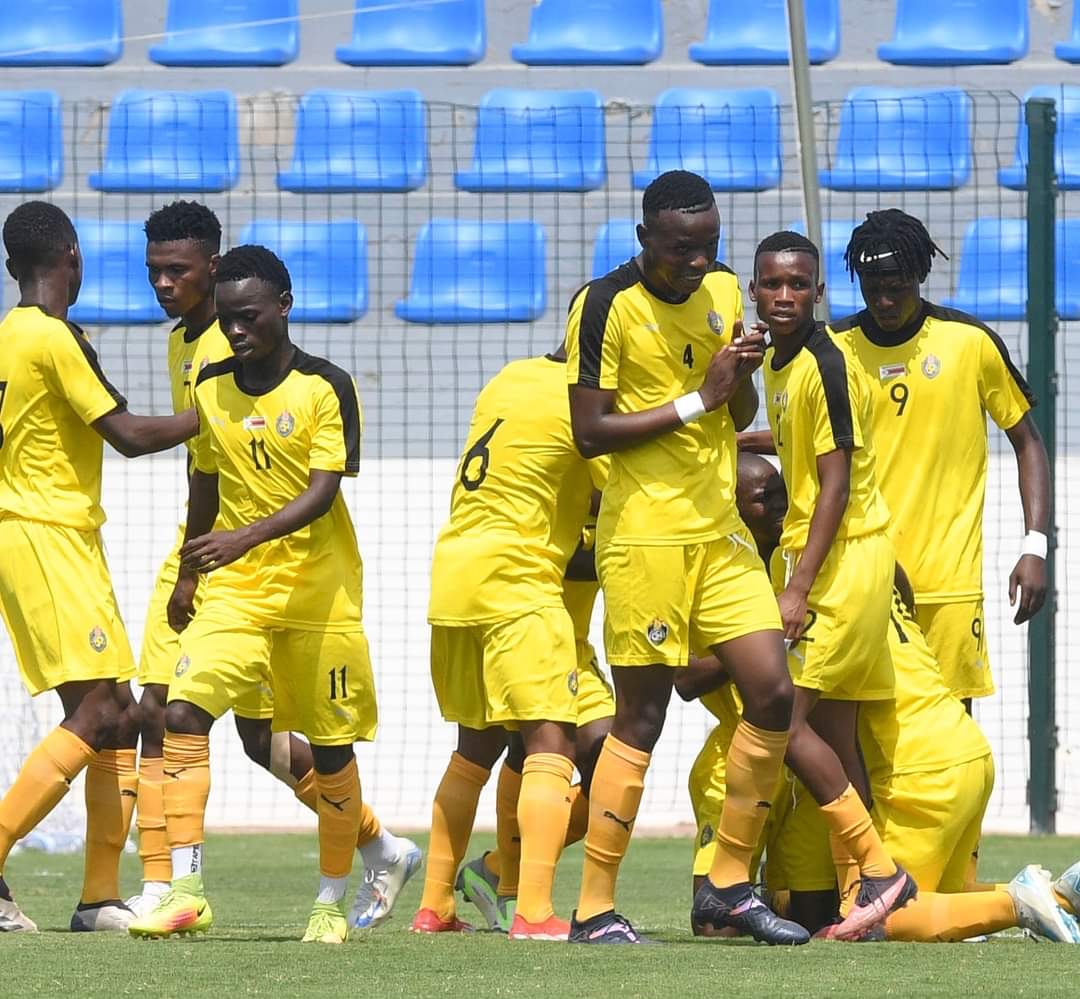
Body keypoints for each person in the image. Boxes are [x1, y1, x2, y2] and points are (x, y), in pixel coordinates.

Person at [130, 202, 418, 929]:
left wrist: (243, 537)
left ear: (284, 307)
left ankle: (330, 900)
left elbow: (322, 494)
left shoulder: (326, 385)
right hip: (236, 588)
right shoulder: (211, 387)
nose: (235, 330)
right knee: (181, 711)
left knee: (328, 743)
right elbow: (204, 482)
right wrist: (191, 573)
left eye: (249, 316)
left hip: (317, 591)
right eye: (227, 319)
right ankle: (185, 891)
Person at [564, 170, 809, 945]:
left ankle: (728, 886)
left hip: (720, 531)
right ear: (644, 240)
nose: (698, 263)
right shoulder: (604, 304)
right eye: (680, 250)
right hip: (644, 537)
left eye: (708, 247)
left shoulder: (726, 290)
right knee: (642, 714)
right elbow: (590, 431)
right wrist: (701, 397)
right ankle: (593, 906)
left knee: (772, 694)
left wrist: (740, 374)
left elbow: (740, 409)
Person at [697, 454, 1080, 945]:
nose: (780, 505)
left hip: (918, 773)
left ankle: (1018, 900)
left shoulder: (800, 585)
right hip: (964, 749)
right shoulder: (874, 561)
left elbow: (799, 718)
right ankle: (1061, 894)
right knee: (947, 895)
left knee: (883, 920)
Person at [0, 202, 197, 932]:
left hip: (55, 535)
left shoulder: (11, 334)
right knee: (97, 712)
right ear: (72, 257)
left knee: (112, 713)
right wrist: (216, 407)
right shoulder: (48, 337)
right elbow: (129, 435)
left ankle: (98, 897)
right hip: (45, 533)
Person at [751, 230, 917, 941]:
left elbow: (835, 487)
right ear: (755, 291)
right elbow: (801, 446)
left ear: (818, 292)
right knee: (837, 735)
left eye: (797, 285)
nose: (784, 296)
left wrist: (799, 589)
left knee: (780, 726)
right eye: (771, 284)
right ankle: (868, 902)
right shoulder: (776, 362)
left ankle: (881, 870)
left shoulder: (825, 363)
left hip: (841, 563)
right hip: (838, 561)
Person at [413, 342, 604, 941]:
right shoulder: (589, 401)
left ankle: (436, 904)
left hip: (456, 575)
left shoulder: (511, 378)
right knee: (558, 745)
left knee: (475, 748)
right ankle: (534, 910)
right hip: (521, 586)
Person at [833, 209, 1050, 704]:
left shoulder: (969, 342)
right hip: (863, 582)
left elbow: (1028, 442)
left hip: (947, 587)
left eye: (897, 285)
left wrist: (1034, 546)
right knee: (862, 735)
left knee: (951, 735)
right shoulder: (834, 349)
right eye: (872, 286)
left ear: (921, 275)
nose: (884, 300)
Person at [455, 516, 616, 932]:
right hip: (525, 628)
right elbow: (552, 558)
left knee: (608, 769)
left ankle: (493, 868)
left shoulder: (615, 491)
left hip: (574, 648)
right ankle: (514, 891)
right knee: (526, 750)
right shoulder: (551, 486)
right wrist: (633, 553)